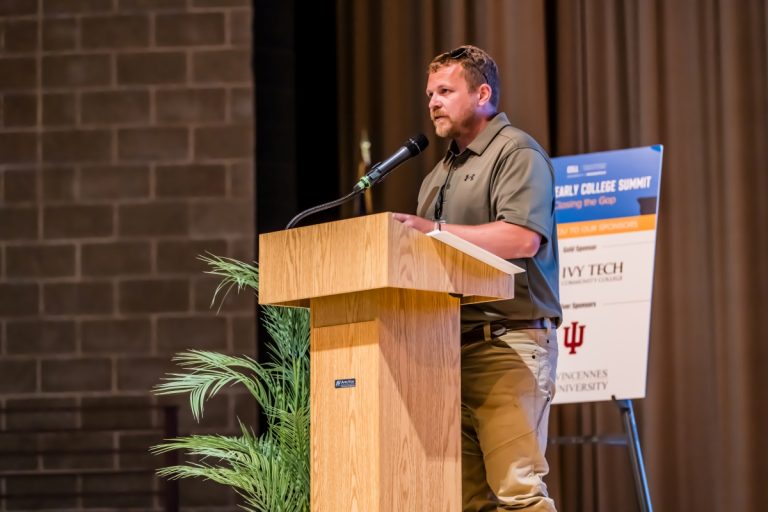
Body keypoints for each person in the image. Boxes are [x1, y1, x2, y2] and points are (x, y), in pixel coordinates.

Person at [393, 45, 562, 511]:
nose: (433, 102)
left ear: (483, 93)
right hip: (443, 354)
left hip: (506, 345)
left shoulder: (516, 152)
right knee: (461, 500)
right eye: (430, 93)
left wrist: (436, 230)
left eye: (445, 91)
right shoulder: (437, 176)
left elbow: (523, 237)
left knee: (518, 494)